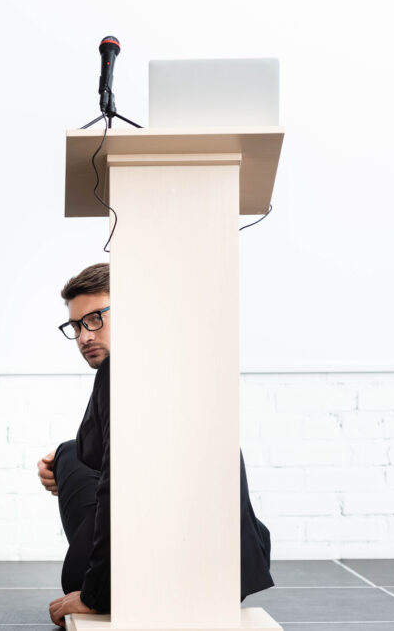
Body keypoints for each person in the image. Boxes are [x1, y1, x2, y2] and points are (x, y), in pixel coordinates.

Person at [38, 262, 274, 628]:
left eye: (96, 319)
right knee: (73, 454)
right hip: (228, 578)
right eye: (76, 326)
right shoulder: (190, 362)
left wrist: (94, 594)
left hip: (148, 577)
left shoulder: (118, 371)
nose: (85, 336)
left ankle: (114, 579)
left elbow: (115, 485)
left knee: (68, 453)